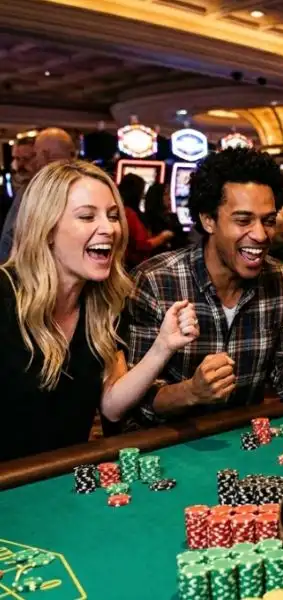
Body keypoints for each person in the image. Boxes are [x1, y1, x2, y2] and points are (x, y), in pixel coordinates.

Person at [123, 148, 283, 424]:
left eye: (268, 221)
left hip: (243, 440)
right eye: (243, 220)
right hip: (168, 444)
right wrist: (191, 392)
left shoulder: (281, 278)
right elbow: (137, 401)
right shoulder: (155, 280)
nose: (261, 235)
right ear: (208, 219)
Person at [0, 160, 198, 461]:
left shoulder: (103, 303)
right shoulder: (3, 294)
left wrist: (163, 346)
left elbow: (111, 405)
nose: (110, 229)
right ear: (47, 228)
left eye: (113, 216)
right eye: (87, 216)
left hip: (61, 479)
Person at [0, 128, 78, 262]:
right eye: (17, 158)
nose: (21, 164)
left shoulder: (32, 190)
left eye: (29, 157)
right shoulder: (27, 190)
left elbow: (9, 243)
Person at [117, 174, 174, 269]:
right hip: (132, 267)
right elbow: (142, 245)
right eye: (142, 191)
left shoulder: (121, 211)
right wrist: (162, 237)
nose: (143, 195)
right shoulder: (129, 214)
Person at [141, 182, 189, 251]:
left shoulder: (172, 217)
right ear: (157, 197)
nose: (169, 197)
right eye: (165, 194)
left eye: (169, 194)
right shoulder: (148, 218)